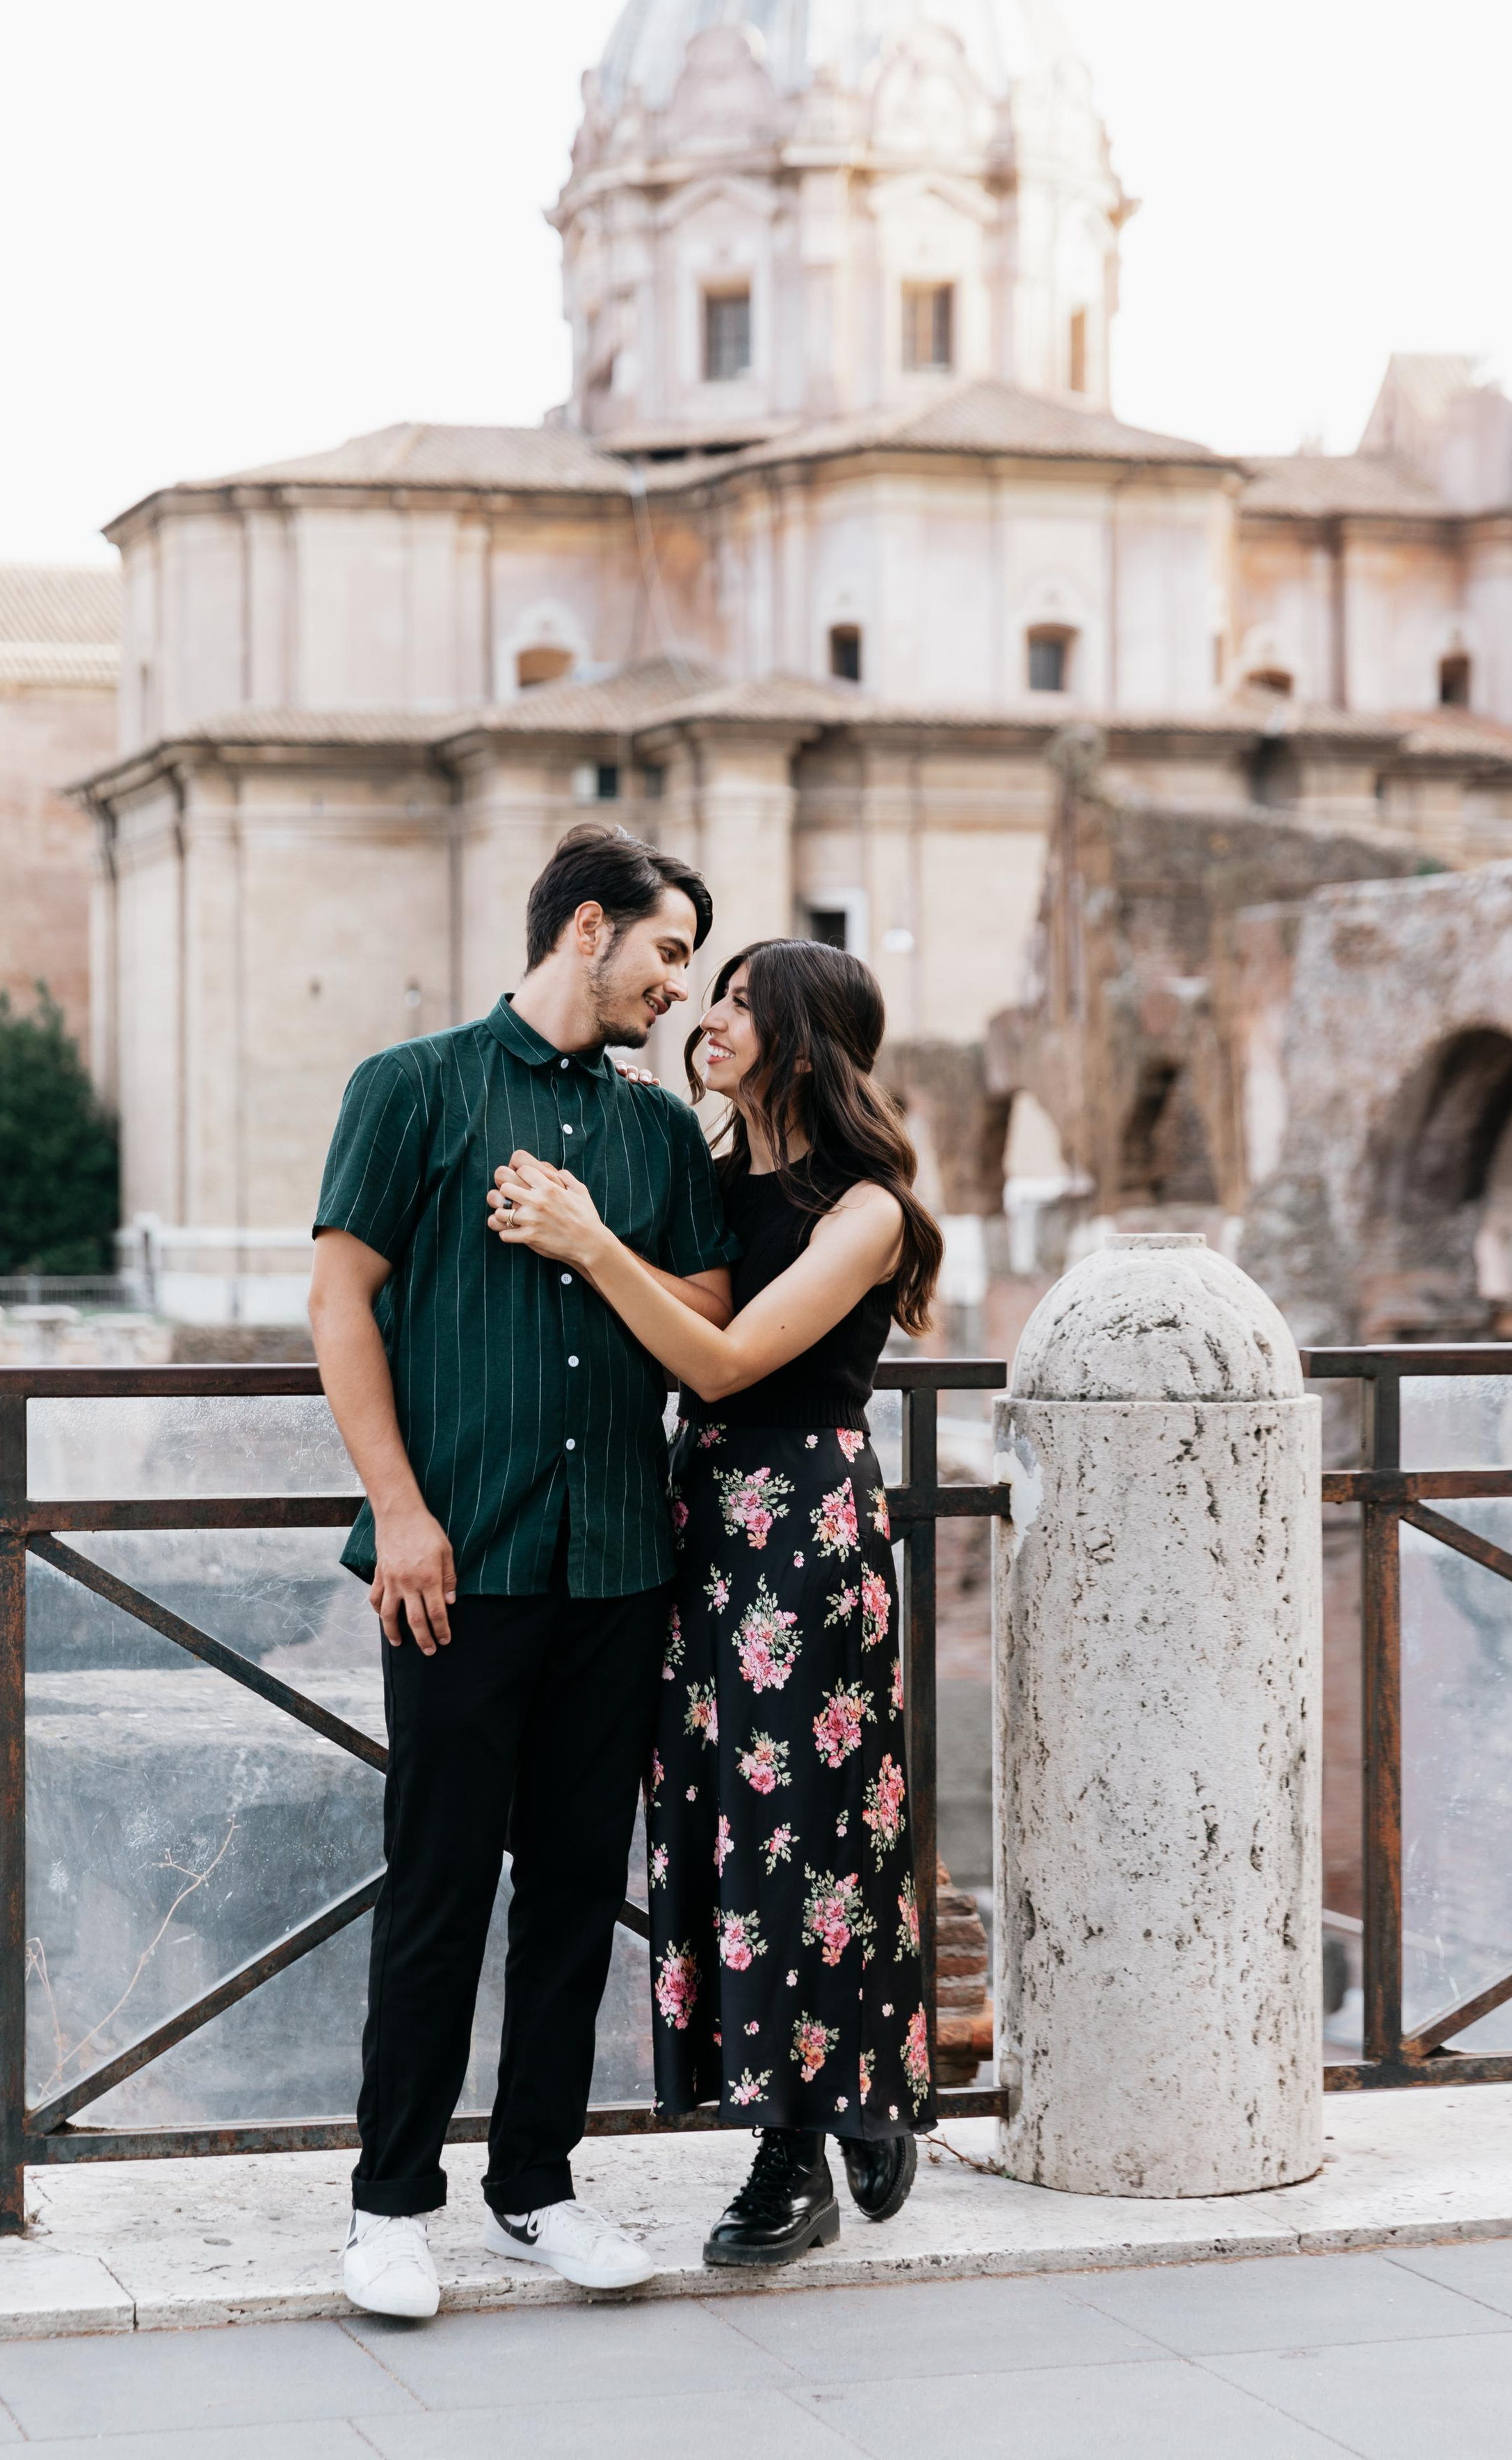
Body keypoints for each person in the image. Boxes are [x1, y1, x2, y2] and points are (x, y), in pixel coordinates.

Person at [309, 825, 738, 2319]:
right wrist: (400, 1511)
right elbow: (340, 1303)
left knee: (572, 1889)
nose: (677, 989)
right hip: (457, 1562)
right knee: (436, 1882)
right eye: (667, 952)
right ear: (587, 930)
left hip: (618, 1562)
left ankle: (535, 2188)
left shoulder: (657, 1135)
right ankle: (387, 2206)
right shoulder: (412, 1087)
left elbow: (706, 1311)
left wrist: (591, 1240)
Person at [489, 936, 944, 2269]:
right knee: (715, 1823)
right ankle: (841, 2097)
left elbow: (730, 1360)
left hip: (805, 1527)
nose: (710, 1016)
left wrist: (590, 1241)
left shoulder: (868, 1211)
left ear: (806, 1040)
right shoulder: (699, 1166)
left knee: (811, 1825)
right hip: (694, 1518)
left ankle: (800, 2148)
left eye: (743, 1001)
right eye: (715, 995)